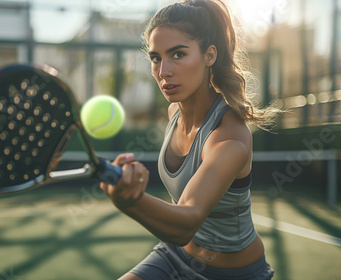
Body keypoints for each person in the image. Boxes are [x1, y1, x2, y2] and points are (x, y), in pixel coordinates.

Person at [100, 0, 277, 279]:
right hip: (174, 255)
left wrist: (131, 201)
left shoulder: (229, 138)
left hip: (234, 273)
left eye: (178, 54)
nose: (163, 71)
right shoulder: (174, 112)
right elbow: (180, 236)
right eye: (156, 58)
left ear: (209, 55)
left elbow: (187, 222)